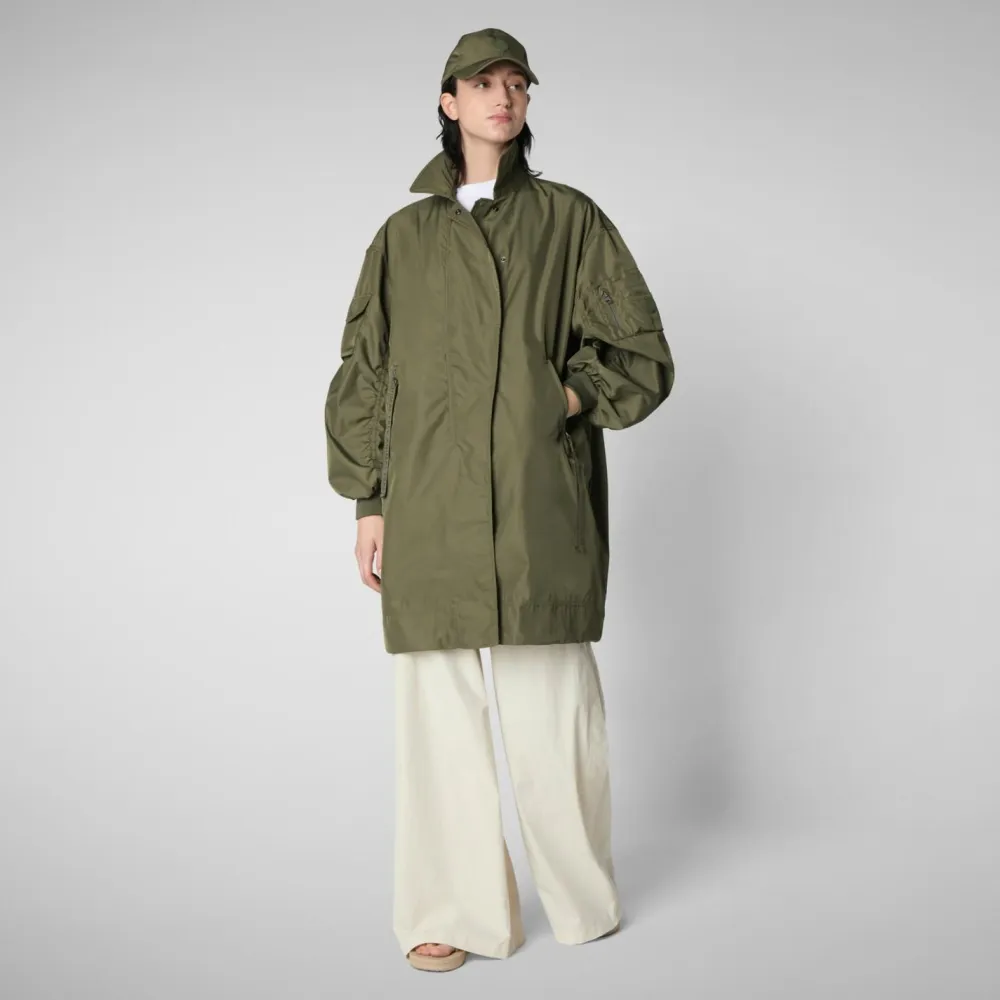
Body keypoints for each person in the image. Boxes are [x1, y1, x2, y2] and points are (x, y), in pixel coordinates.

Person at [323, 27, 674, 973]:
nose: (503, 96)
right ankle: (451, 911)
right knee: (437, 720)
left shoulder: (569, 220)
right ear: (449, 103)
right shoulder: (402, 239)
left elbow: (640, 352)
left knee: (554, 711)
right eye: (483, 83)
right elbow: (366, 373)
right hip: (428, 505)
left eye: (517, 82)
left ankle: (580, 899)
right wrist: (368, 501)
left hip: (535, 498)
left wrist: (563, 398)